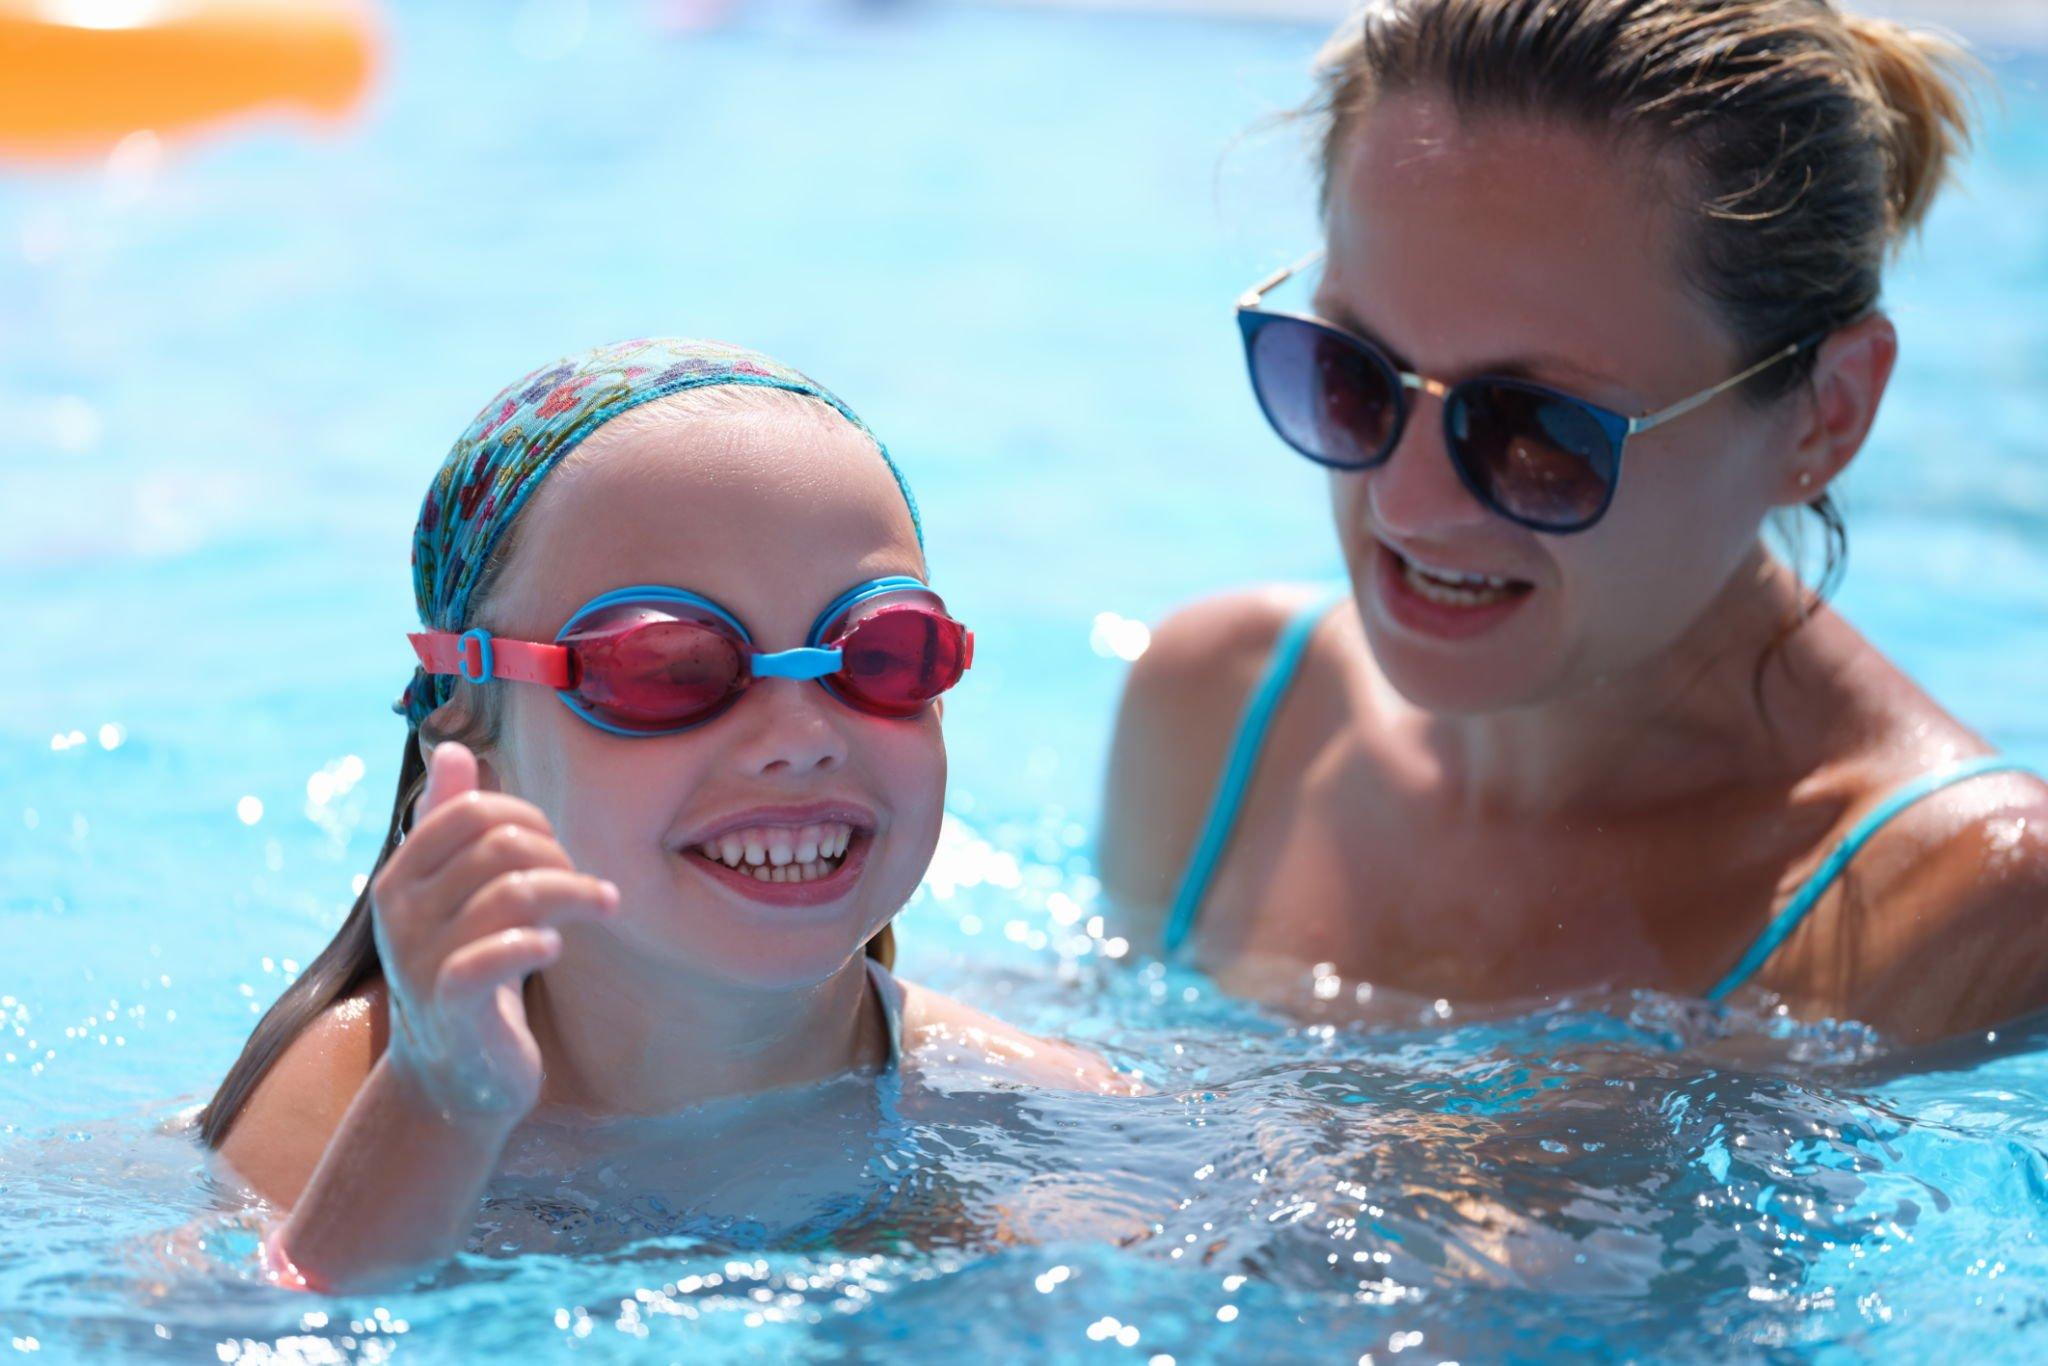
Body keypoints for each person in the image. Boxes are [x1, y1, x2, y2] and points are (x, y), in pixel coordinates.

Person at [1103, 0, 2048, 1041]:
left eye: (1537, 426)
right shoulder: (1222, 707)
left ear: (1826, 415)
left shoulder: (1963, 905)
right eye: (1351, 373)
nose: (1404, 504)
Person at [200, 338, 1121, 1290]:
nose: (800, 737)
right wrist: (440, 1106)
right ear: (470, 728)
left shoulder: (1033, 1114)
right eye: (668, 668)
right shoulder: (354, 1092)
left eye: (881, 654)